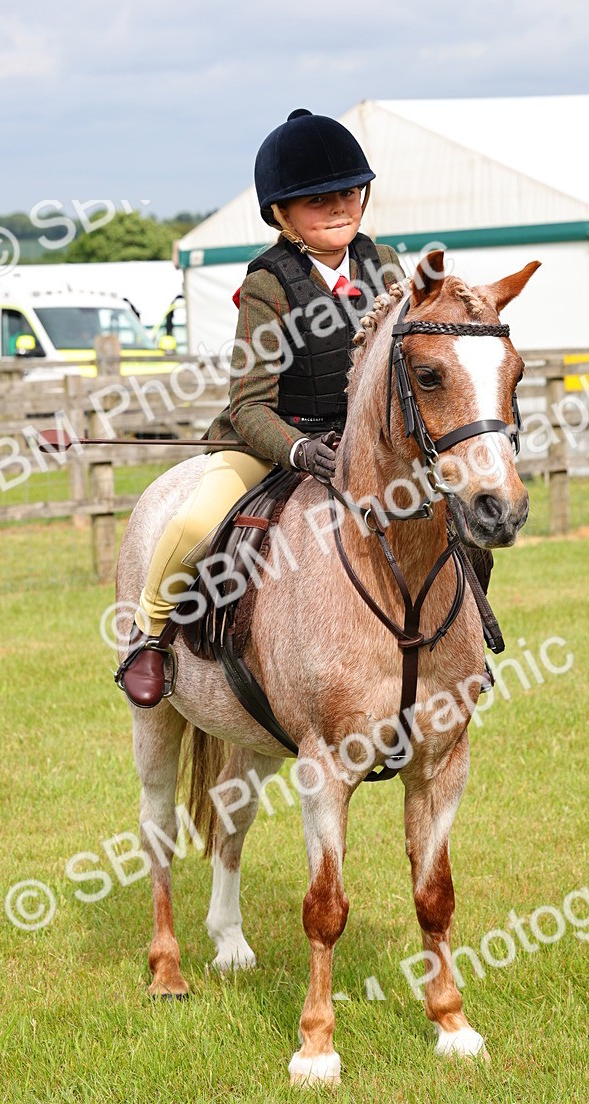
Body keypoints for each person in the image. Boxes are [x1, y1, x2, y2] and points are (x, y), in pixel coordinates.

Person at [118, 108, 402, 707]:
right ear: (282, 213)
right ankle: (150, 635)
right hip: (275, 439)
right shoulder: (270, 284)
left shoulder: (384, 266)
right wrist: (301, 449)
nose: (338, 208)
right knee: (195, 522)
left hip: (365, 444)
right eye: (316, 200)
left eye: (348, 192)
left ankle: (460, 637)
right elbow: (248, 406)